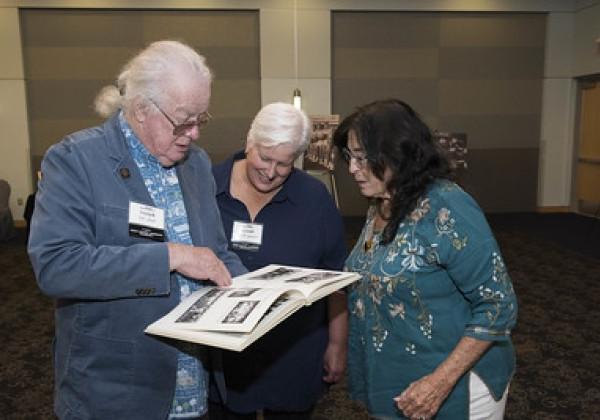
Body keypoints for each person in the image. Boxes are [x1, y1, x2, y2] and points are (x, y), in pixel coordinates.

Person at [27, 40, 246, 420]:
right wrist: (171, 257)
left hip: (195, 386)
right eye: (183, 120)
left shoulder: (195, 164)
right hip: (117, 392)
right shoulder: (75, 160)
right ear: (141, 108)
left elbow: (215, 253)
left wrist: (260, 295)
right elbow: (56, 265)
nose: (194, 133)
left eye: (202, 119)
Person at [333, 99, 518, 420]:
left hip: (452, 384)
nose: (352, 169)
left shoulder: (446, 206)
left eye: (363, 158)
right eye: (350, 157)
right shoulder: (381, 204)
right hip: (396, 380)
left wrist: (439, 383)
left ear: (398, 153)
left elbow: (498, 305)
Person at [209, 102, 348, 419]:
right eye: (264, 157)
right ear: (249, 142)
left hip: (293, 351)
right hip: (221, 354)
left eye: (283, 164)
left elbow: (336, 279)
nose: (271, 172)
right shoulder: (205, 186)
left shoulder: (314, 199)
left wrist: (338, 344)